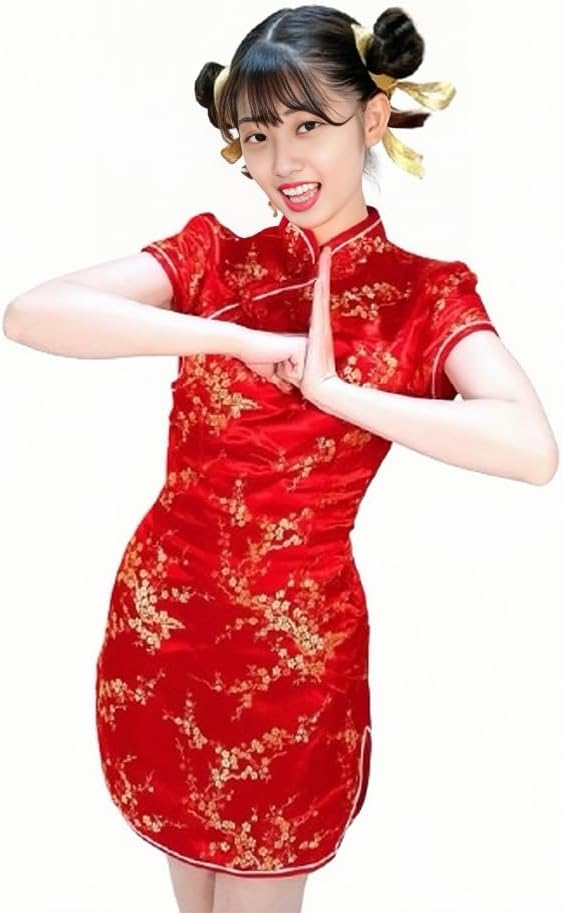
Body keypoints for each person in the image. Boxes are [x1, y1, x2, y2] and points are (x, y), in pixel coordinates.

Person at [3, 5, 558, 913]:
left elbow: (532, 448)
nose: (282, 161)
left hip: (295, 653)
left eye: (308, 126)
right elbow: (31, 314)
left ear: (370, 118)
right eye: (258, 135)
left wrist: (339, 394)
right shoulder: (216, 260)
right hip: (164, 620)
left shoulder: (421, 294)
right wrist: (232, 338)